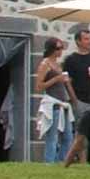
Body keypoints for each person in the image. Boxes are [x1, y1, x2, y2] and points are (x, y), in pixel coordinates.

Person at [34, 37, 77, 165]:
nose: (60, 51)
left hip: (63, 103)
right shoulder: (45, 64)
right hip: (53, 103)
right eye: (58, 48)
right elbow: (39, 86)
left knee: (68, 136)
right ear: (51, 49)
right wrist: (56, 79)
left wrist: (72, 96)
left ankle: (61, 161)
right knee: (52, 137)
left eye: (61, 48)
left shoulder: (58, 65)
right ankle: (49, 162)